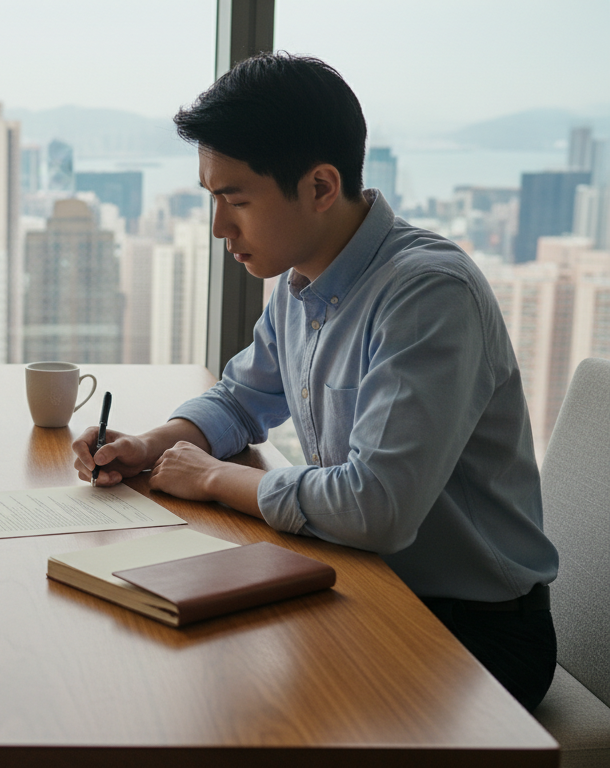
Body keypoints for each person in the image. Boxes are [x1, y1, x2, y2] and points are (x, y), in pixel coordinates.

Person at [72, 53, 558, 711]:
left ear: (321, 187)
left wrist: (216, 478)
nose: (219, 228)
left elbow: (374, 507)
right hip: (364, 582)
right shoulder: (301, 279)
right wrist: (155, 444)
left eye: (235, 200)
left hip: (474, 632)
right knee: (162, 674)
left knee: (222, 707)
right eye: (211, 199)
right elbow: (242, 395)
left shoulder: (427, 295)